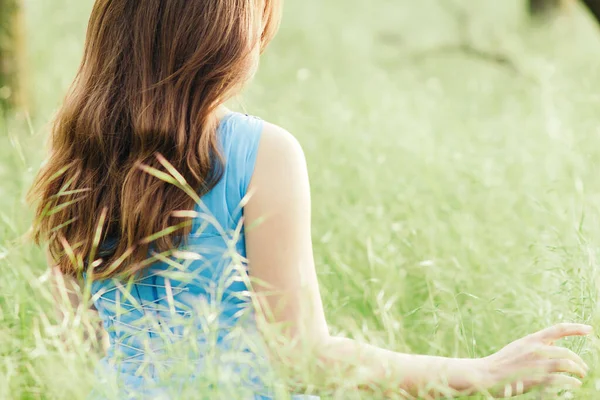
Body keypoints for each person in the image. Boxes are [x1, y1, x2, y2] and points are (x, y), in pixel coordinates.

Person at [28, 0, 592, 399]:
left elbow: (79, 348)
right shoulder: (260, 152)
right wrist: (481, 372)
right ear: (224, 37)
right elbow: (301, 355)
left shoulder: (75, 156)